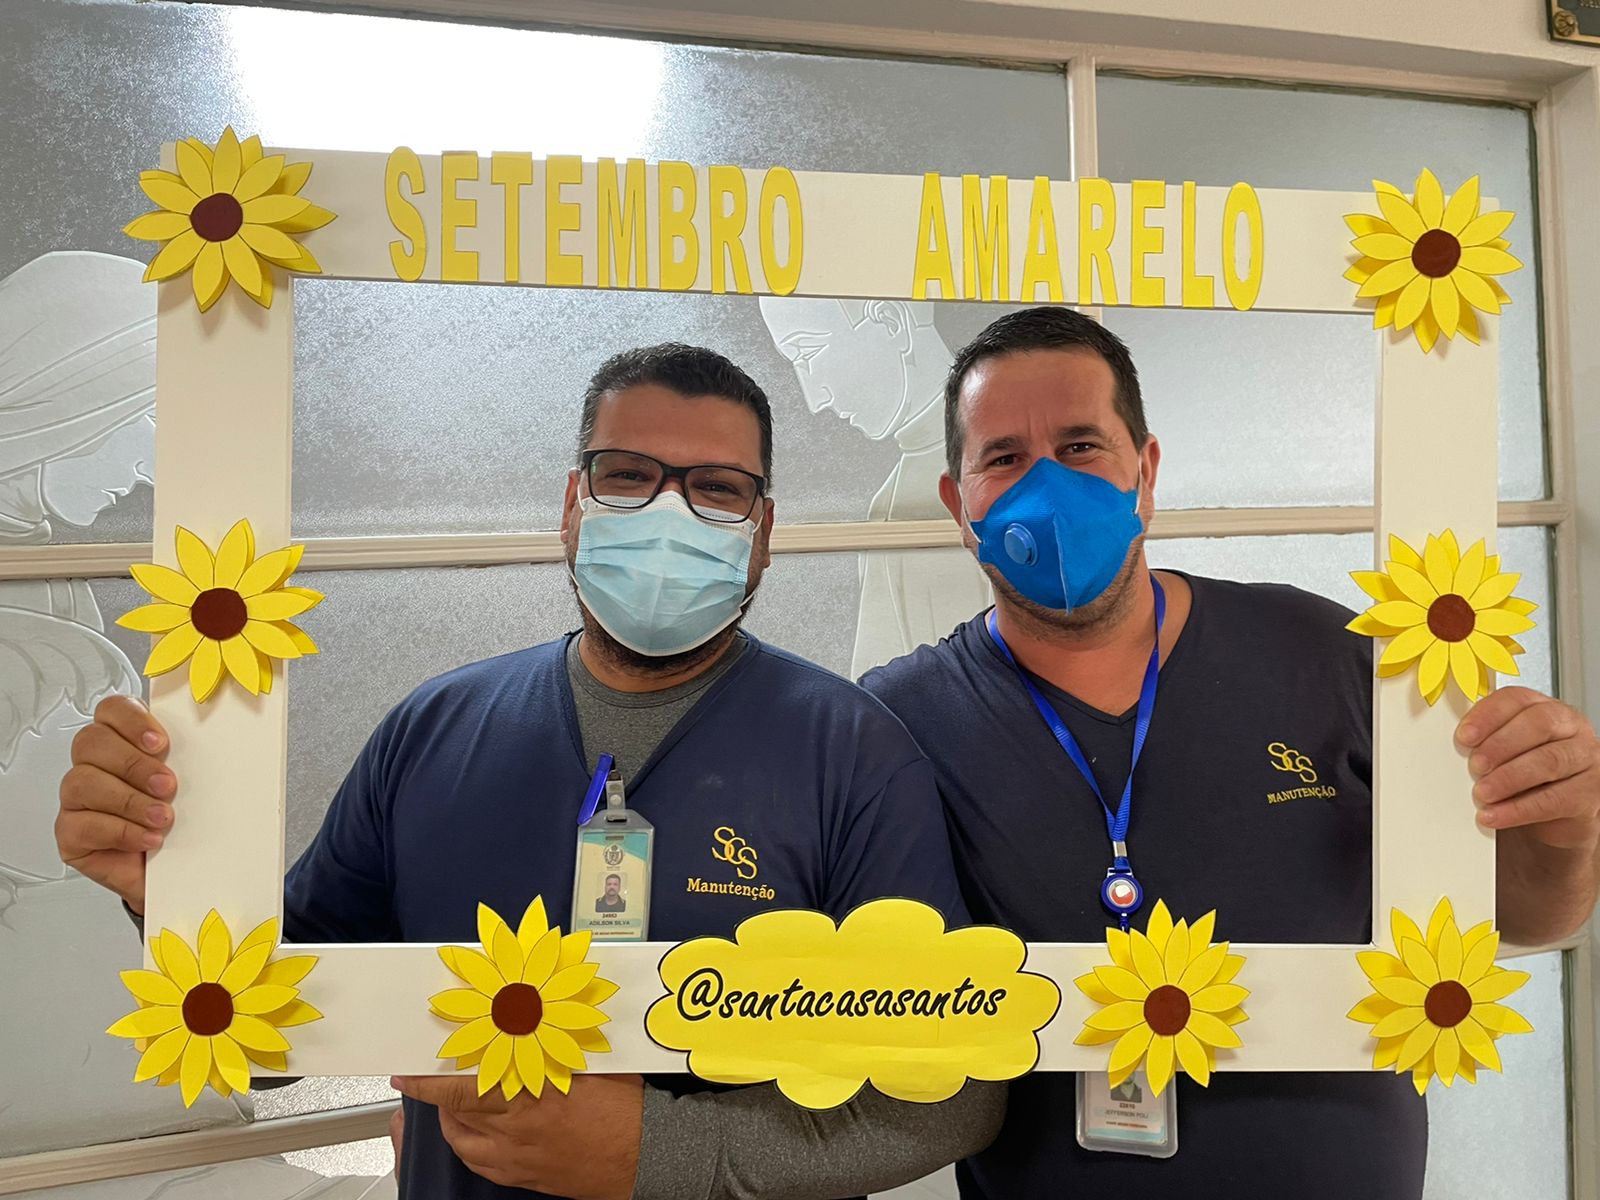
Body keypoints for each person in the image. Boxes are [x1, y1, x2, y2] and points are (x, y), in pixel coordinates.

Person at [56, 344, 1004, 1200]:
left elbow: (949, 1096)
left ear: (761, 532)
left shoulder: (853, 755)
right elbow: (276, 1043)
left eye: (716, 489)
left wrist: (662, 1155)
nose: (668, 513)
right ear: (571, 504)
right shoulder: (431, 733)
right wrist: (167, 892)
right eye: (627, 476)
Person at [861, 306, 1600, 1198]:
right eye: (1005, 458)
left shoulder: (1326, 652)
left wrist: (1563, 825)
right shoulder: (897, 724)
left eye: (1081, 446)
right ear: (959, 503)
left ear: (1146, 470)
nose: (1046, 486)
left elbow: (1525, 916)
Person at [760, 296, 990, 674]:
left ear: (891, 322)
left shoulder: (905, 502)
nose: (816, 398)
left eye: (809, 353)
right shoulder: (887, 508)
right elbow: (871, 687)